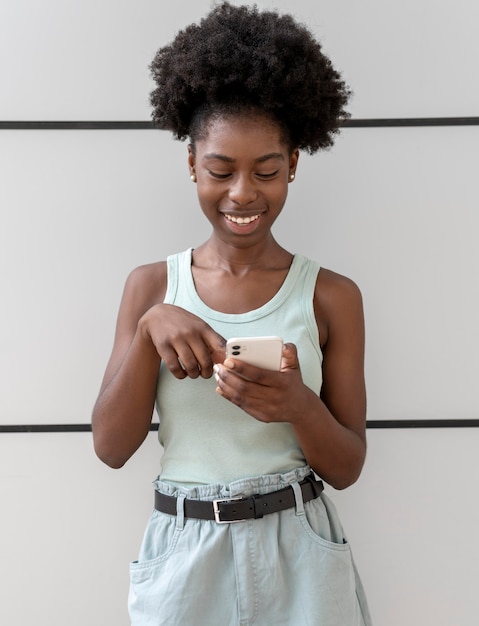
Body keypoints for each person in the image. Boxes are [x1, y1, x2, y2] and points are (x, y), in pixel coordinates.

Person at [92, 3, 372, 625]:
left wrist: (298, 405)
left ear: (294, 164)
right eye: (220, 170)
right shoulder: (149, 286)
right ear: (192, 163)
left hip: (300, 547)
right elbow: (111, 447)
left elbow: (348, 466)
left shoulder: (330, 295)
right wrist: (149, 330)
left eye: (267, 171)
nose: (243, 193)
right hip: (184, 552)